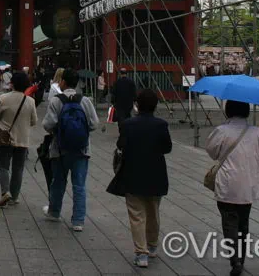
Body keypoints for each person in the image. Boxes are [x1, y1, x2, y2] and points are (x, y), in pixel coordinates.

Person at [106, 89, 171, 268]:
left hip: (133, 173)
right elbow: (167, 148)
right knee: (153, 212)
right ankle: (152, 246)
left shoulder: (128, 124)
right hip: (156, 173)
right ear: (155, 106)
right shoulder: (161, 125)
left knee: (136, 214)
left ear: (137, 105)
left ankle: (141, 252)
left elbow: (121, 144)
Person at [206, 101, 259, 276]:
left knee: (229, 222)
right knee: (243, 223)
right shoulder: (256, 132)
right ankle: (241, 258)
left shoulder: (222, 131)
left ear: (228, 110)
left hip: (227, 184)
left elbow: (212, 152)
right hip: (248, 184)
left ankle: (235, 259)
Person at [42, 67, 99, 232]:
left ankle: (54, 212)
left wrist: (59, 131)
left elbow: (48, 124)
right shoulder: (85, 100)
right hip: (82, 149)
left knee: (58, 182)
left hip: (59, 148)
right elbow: (94, 123)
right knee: (79, 185)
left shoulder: (56, 101)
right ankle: (78, 221)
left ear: (63, 82)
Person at [0, 71, 38, 207]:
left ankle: (5, 191)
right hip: (22, 139)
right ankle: (14, 196)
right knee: (18, 169)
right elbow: (34, 121)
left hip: (6, 138)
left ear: (12, 84)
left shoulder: (4, 98)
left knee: (2, 166)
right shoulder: (30, 101)